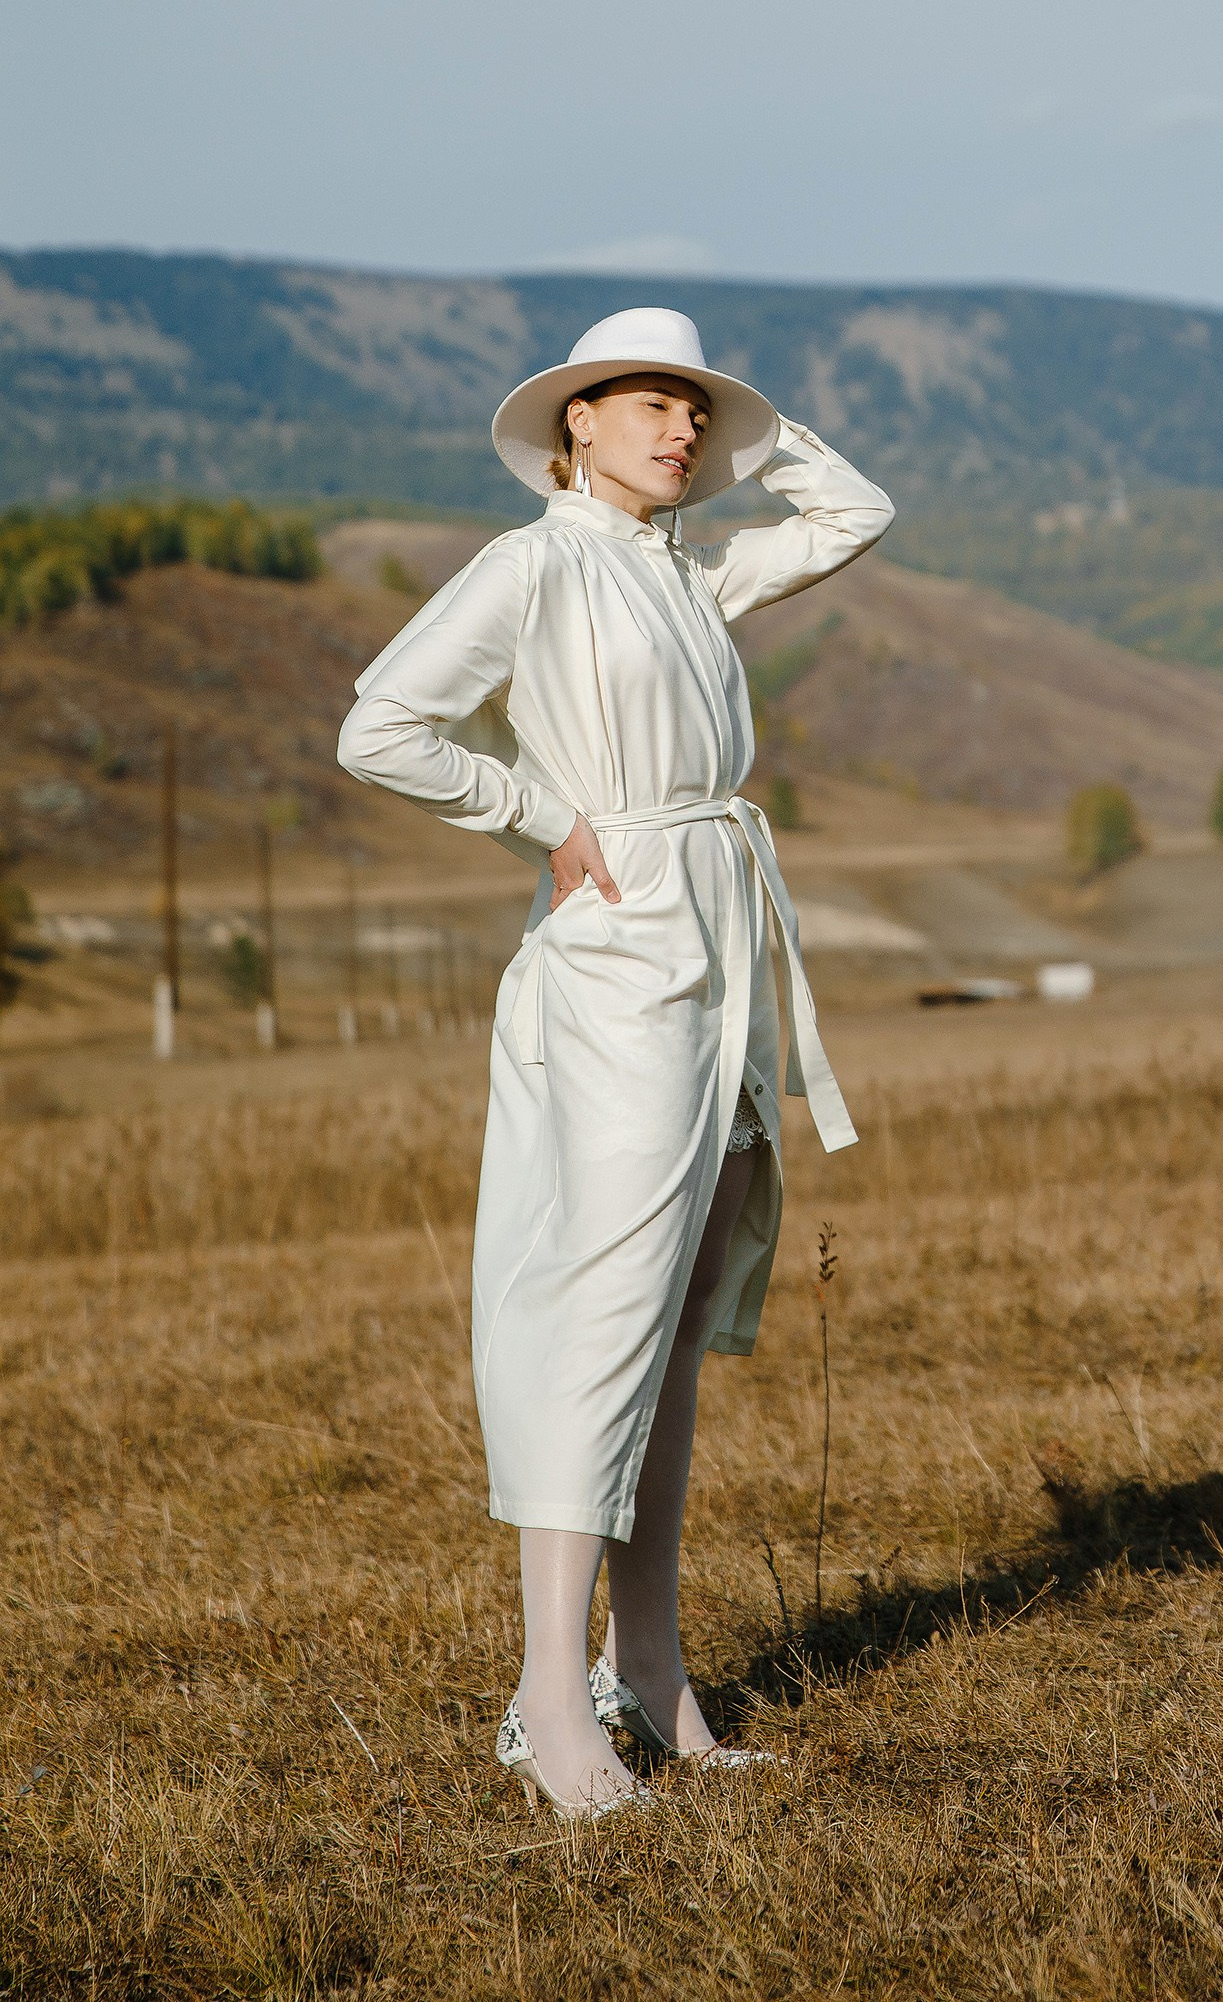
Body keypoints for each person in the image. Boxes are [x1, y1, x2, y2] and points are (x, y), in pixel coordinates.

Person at [336, 306, 892, 1818]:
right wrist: (541, 817)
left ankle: (651, 1676)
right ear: (573, 422)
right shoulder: (535, 564)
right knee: (605, 1316)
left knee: (678, 1320)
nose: (684, 432)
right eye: (649, 404)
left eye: (697, 414)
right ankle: (546, 1702)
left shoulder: (691, 574)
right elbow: (380, 725)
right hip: (618, 958)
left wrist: (754, 429)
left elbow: (857, 511)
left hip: (722, 954)